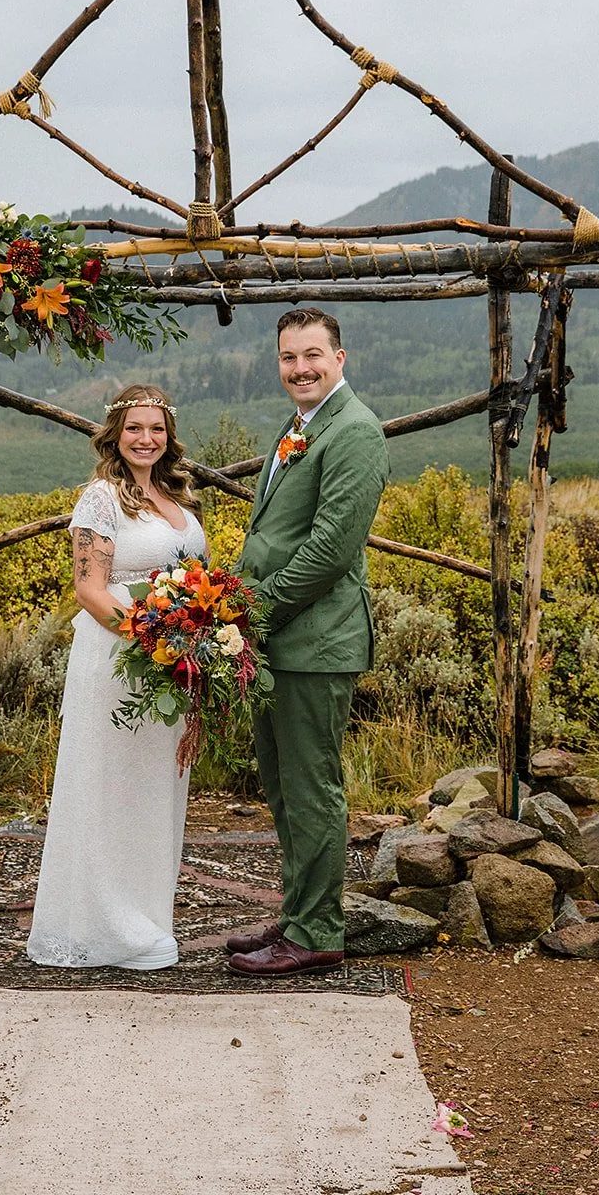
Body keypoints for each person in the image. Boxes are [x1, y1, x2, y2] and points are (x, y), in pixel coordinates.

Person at [227, 309, 389, 976]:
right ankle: (298, 912)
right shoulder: (298, 429)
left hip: (314, 640)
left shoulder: (353, 432)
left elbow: (328, 550)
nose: (301, 368)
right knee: (284, 786)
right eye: (289, 358)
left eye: (313, 355)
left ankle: (318, 931)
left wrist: (251, 613)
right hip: (280, 641)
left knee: (311, 787)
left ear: (340, 358)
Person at [26, 384, 206, 971]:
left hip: (172, 661)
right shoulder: (101, 500)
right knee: (111, 785)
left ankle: (148, 917)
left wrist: (194, 637)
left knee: (156, 787)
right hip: (120, 656)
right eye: (135, 429)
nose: (146, 439)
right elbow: (90, 589)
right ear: (115, 434)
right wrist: (153, 639)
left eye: (156, 429)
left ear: (168, 436)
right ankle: (107, 926)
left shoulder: (174, 496)